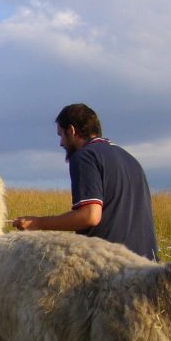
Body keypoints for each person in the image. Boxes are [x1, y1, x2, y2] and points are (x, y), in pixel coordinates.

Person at [12, 103, 159, 260]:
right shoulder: (130, 159)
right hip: (148, 265)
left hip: (113, 267)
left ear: (72, 130)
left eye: (61, 134)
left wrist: (39, 223)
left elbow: (90, 216)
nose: (61, 143)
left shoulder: (84, 156)